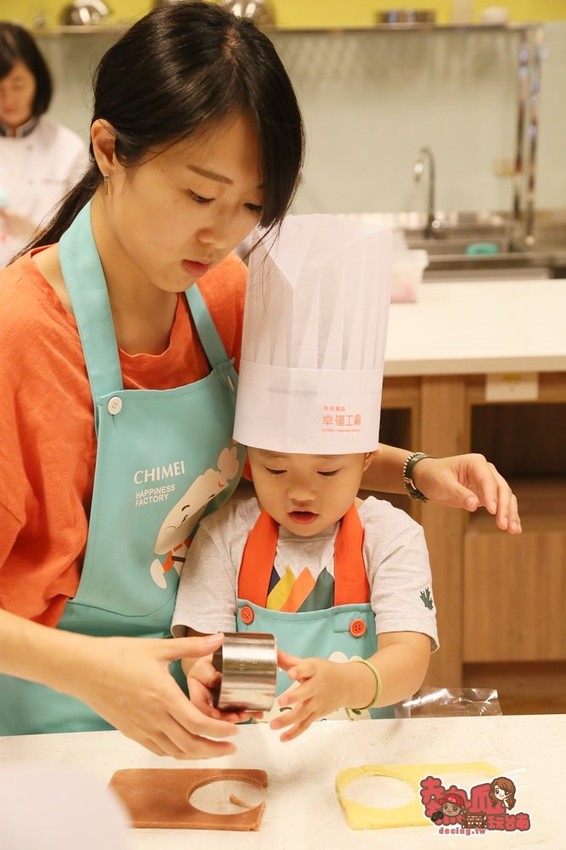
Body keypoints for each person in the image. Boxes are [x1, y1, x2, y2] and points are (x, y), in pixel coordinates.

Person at [0, 3, 519, 759]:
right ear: (110, 151)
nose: (222, 235)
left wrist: (415, 469)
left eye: (251, 206)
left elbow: (283, 451)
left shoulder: (226, 294)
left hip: (216, 706)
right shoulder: (22, 335)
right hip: (56, 725)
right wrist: (95, 672)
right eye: (199, 196)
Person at [172, 215, 439, 740]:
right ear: (248, 457)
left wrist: (347, 683)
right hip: (256, 751)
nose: (300, 490)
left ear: (366, 458)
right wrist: (206, 675)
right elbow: (202, 649)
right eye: (274, 468)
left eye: (328, 470)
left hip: (362, 755)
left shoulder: (390, 537)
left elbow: (409, 658)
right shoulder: (225, 536)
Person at [0, 23, 88, 267]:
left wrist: (33, 232)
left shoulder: (68, 148)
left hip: (46, 276)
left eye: (18, 84)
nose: (8, 98)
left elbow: (83, 237)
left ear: (37, 80)